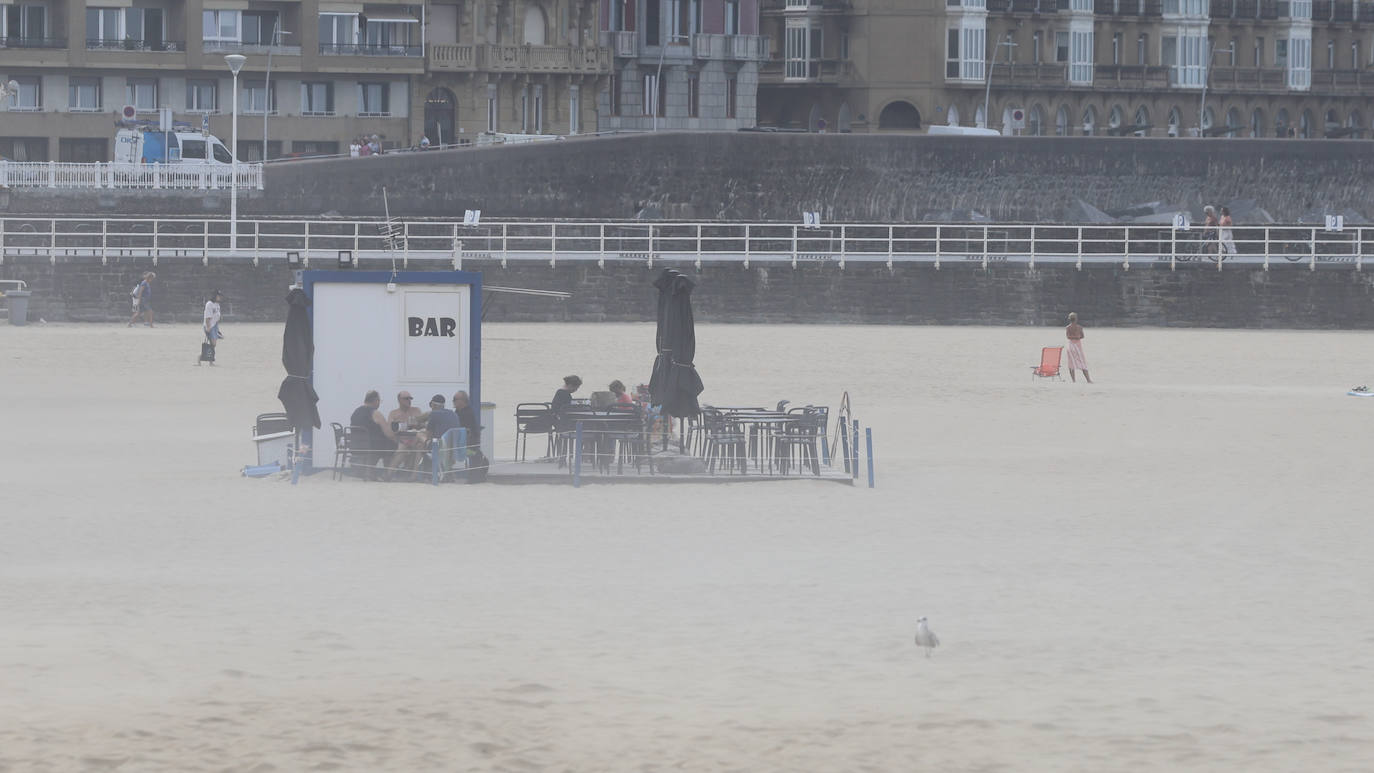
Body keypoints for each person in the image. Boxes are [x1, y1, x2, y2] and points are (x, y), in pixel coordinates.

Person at [349, 390, 398, 480]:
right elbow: (388, 433)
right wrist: (397, 440)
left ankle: (370, 472)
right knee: (394, 445)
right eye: (379, 401)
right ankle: (387, 474)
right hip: (372, 446)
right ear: (376, 401)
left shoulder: (356, 412)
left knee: (386, 444)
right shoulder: (375, 413)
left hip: (356, 445)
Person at [387, 391, 425, 476]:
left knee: (420, 446)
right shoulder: (394, 413)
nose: (409, 400)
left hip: (415, 439)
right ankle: (388, 474)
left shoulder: (416, 410)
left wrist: (418, 424)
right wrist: (397, 426)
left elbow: (424, 426)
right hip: (401, 440)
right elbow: (390, 430)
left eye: (410, 398)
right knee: (402, 448)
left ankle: (414, 475)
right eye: (406, 398)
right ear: (399, 400)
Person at [1064, 312, 1093, 384]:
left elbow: (1068, 337)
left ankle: (1073, 380)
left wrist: (1074, 337)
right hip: (1077, 346)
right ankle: (1088, 380)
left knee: (1071, 363)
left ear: (1069, 319)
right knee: (1082, 362)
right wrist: (1077, 337)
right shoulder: (1080, 327)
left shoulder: (1068, 327)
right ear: (1076, 319)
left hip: (1070, 346)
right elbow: (1082, 336)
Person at [202, 290, 224, 357]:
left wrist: (217, 329)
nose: (220, 297)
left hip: (214, 325)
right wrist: (208, 327)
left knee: (213, 344)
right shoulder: (209, 304)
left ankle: (209, 358)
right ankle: (205, 357)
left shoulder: (217, 304)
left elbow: (217, 316)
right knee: (212, 343)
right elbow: (207, 317)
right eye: (218, 296)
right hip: (209, 326)